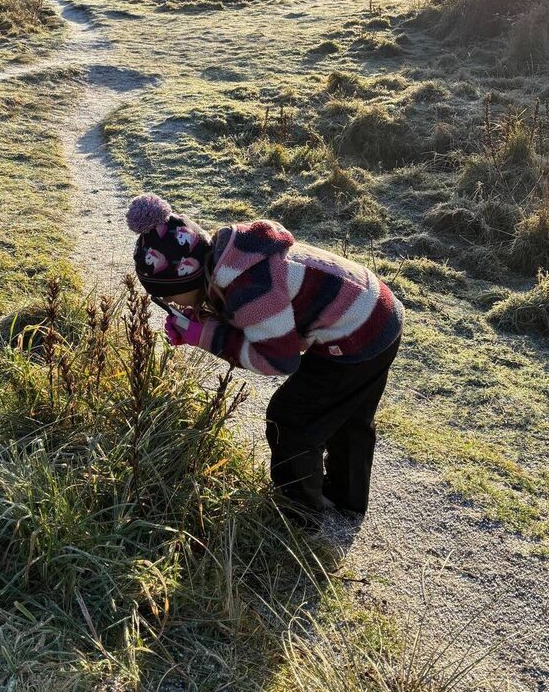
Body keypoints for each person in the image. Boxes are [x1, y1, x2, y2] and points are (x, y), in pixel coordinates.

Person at [126, 192, 404, 521]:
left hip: (356, 337)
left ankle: (298, 516)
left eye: (171, 298)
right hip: (379, 312)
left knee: (290, 420)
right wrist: (205, 321)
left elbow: (279, 359)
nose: (177, 307)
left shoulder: (250, 290)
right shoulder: (231, 256)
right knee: (350, 415)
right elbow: (256, 315)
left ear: (188, 276)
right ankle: (347, 497)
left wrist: (204, 336)